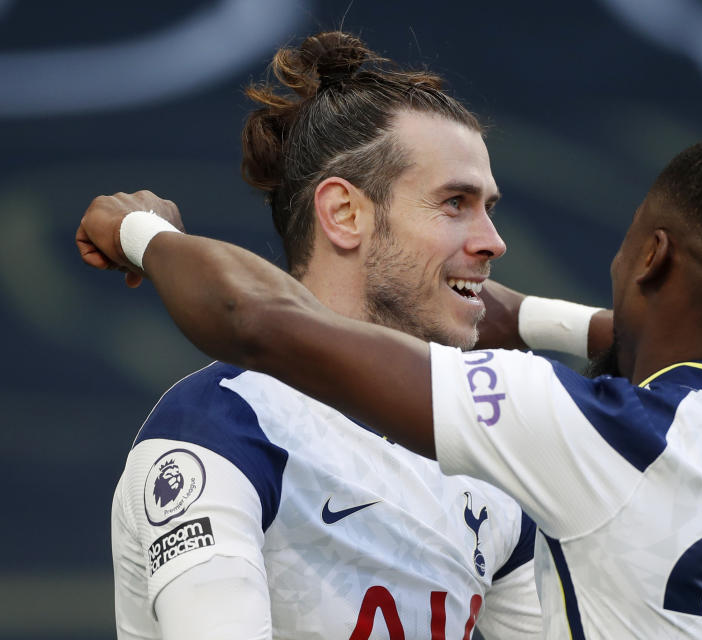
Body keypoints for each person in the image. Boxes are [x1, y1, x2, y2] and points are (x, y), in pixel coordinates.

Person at [78, 137, 702, 637]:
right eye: (456, 205)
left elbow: (256, 321)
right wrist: (532, 319)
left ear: (650, 257)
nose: (492, 241)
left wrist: (140, 232)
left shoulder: (590, 434)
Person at [105, 31, 549, 640]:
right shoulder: (220, 429)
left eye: (489, 207)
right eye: (455, 203)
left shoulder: (485, 458)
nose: (493, 242)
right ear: (344, 214)